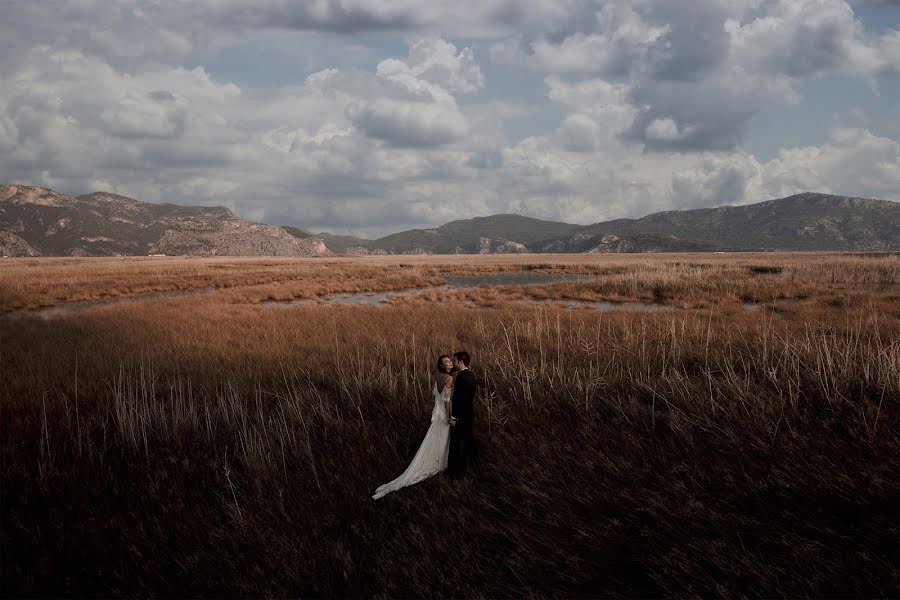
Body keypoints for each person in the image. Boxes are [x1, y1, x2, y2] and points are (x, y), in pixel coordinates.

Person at [372, 355, 454, 500]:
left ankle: (437, 461)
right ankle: (439, 463)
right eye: (446, 362)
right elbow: (447, 400)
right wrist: (449, 416)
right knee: (442, 439)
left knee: (435, 439)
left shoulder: (437, 376)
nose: (450, 363)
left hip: (437, 412)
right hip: (443, 414)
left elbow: (436, 396)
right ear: (442, 365)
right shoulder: (449, 379)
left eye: (450, 361)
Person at [447, 351, 476, 479]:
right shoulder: (471, 375)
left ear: (460, 362)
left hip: (461, 416)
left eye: (455, 360)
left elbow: (460, 400)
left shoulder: (462, 378)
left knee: (458, 443)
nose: (453, 363)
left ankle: (457, 472)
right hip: (468, 414)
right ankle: (467, 466)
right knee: (465, 440)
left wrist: (454, 417)